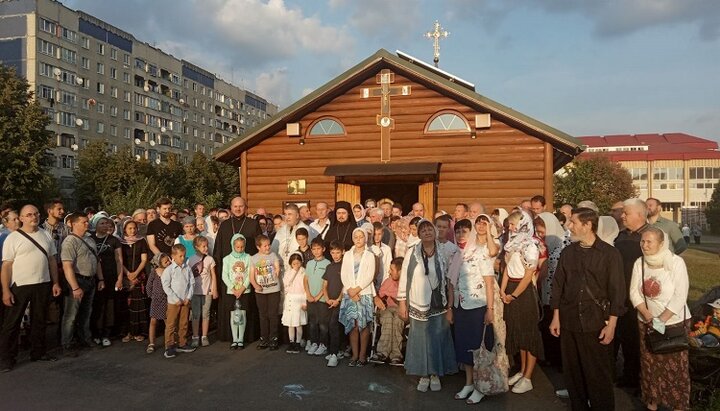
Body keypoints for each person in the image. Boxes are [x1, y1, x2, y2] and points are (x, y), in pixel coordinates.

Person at [550, 207, 626, 410]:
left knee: (598, 375)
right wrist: (556, 317)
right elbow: (558, 285)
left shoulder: (610, 254)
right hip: (569, 320)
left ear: (587, 225)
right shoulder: (568, 252)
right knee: (573, 374)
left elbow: (617, 292)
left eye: (573, 222)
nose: (568, 225)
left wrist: (612, 325)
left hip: (596, 322)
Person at [629, 227, 690, 411]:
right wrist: (648, 316)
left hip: (673, 323)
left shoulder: (676, 263)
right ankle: (652, 403)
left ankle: (678, 405)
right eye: (642, 241)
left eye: (649, 242)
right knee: (650, 366)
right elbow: (633, 292)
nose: (644, 245)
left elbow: (680, 295)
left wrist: (661, 320)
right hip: (646, 322)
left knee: (675, 369)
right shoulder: (639, 263)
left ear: (661, 243)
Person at [450, 216, 504, 404]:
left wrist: (489, 309)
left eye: (464, 231)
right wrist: (450, 307)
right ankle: (469, 383)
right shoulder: (457, 255)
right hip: (460, 306)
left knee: (478, 348)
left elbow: (489, 283)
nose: (460, 235)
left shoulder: (480, 252)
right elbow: (452, 284)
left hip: (477, 306)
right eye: (457, 232)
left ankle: (481, 385)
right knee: (465, 348)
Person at [1, 205, 62, 371]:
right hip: (20, 286)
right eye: (28, 215)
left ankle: (38, 352)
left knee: (39, 320)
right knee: (11, 324)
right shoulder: (12, 238)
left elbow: (51, 261)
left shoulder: (45, 235)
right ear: (21, 218)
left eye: (35, 214)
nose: (33, 217)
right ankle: (7, 359)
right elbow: (6, 266)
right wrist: (6, 290)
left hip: (42, 283)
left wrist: (55, 282)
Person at [398, 219, 457, 392]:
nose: (427, 232)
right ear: (418, 234)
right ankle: (424, 374)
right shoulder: (411, 252)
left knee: (437, 338)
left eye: (429, 229)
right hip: (418, 301)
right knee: (420, 338)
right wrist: (402, 303)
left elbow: (450, 279)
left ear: (435, 231)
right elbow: (404, 278)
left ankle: (435, 373)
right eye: (423, 230)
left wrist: (451, 306)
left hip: (439, 301)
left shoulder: (444, 251)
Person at [500, 211, 543, 394]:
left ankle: (528, 377)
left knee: (529, 334)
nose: (510, 228)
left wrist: (514, 295)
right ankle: (522, 370)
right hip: (510, 288)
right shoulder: (512, 243)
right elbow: (507, 269)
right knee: (518, 331)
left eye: (513, 224)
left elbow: (528, 275)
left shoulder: (531, 245)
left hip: (523, 292)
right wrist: (502, 290)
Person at [213, 197, 261, 343]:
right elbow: (218, 250)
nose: (238, 209)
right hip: (229, 275)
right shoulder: (225, 225)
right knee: (229, 306)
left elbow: (259, 248)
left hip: (248, 273)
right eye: (235, 206)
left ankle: (247, 336)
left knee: (248, 307)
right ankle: (230, 336)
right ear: (231, 207)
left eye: (241, 206)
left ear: (245, 207)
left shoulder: (253, 224)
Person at [614, 198, 650, 388]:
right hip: (623, 295)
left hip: (644, 298)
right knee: (627, 337)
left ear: (639, 214)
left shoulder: (651, 237)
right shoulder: (621, 236)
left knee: (640, 341)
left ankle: (642, 380)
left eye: (626, 213)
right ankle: (629, 376)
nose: (622, 216)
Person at [61, 213, 104, 357]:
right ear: (74, 224)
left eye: (87, 221)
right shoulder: (69, 242)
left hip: (90, 280)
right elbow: (67, 266)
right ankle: (66, 344)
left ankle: (85, 338)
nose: (87, 224)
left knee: (86, 313)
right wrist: (75, 287)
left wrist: (101, 279)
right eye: (84, 222)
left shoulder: (89, 239)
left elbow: (96, 261)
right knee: (71, 315)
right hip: (78, 281)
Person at [535, 212, 569, 368]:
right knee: (547, 324)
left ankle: (560, 362)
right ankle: (550, 358)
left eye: (543, 232)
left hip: (559, 295)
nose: (540, 235)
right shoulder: (543, 246)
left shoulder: (563, 245)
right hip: (545, 292)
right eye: (538, 232)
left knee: (557, 328)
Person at [339, 228, 376, 367]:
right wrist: (350, 290)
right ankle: (354, 355)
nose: (358, 239)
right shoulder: (348, 254)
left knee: (363, 325)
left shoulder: (369, 255)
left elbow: (369, 275)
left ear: (365, 238)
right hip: (349, 294)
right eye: (356, 237)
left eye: (361, 237)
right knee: (353, 325)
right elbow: (344, 273)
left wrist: (357, 289)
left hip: (363, 293)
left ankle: (362, 356)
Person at [89, 215, 123, 347]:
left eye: (106, 223)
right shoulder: (90, 238)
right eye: (101, 223)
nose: (105, 225)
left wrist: (119, 279)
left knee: (109, 305)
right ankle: (95, 332)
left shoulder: (114, 240)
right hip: (95, 277)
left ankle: (106, 333)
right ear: (96, 225)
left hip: (110, 276)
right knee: (97, 306)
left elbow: (118, 260)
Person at [161, 244, 195, 358]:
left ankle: (182, 343)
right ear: (173, 256)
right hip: (173, 302)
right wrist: (175, 299)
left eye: (184, 256)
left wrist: (188, 297)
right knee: (171, 324)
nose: (182, 258)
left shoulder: (187, 268)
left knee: (184, 323)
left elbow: (192, 283)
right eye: (180, 256)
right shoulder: (169, 270)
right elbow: (166, 286)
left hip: (185, 301)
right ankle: (169, 346)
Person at [250, 234, 282, 351]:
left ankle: (274, 339)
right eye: (265, 246)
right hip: (260, 291)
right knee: (263, 315)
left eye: (269, 245)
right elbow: (251, 276)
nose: (268, 248)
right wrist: (255, 285)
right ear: (258, 247)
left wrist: (276, 272)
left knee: (273, 315)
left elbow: (277, 268)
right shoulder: (253, 258)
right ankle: (264, 339)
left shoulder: (273, 256)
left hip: (273, 289)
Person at [119, 220, 148, 343]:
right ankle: (127, 332)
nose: (132, 230)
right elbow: (119, 260)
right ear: (124, 229)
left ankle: (138, 331)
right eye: (130, 228)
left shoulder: (141, 241)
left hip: (138, 275)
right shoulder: (120, 242)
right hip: (124, 275)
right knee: (126, 305)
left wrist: (135, 274)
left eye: (134, 228)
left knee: (138, 305)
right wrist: (127, 274)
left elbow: (144, 259)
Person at [372, 257, 405, 366]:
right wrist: (378, 299)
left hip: (402, 310)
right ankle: (382, 352)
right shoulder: (388, 281)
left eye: (392, 269)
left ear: (400, 272)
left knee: (397, 319)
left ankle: (396, 354)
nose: (389, 272)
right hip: (387, 309)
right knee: (388, 317)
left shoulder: (408, 283)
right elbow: (378, 297)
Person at [222, 234, 251, 350]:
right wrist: (233, 289)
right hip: (232, 292)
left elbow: (249, 274)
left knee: (242, 315)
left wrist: (242, 288)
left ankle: (241, 339)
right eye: (237, 247)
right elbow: (225, 275)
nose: (240, 249)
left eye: (242, 247)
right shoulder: (227, 259)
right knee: (234, 315)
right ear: (233, 246)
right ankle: (235, 338)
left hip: (244, 291)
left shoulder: (248, 257)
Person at [188, 236, 217, 348]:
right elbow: (189, 276)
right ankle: (195, 336)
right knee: (195, 314)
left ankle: (204, 336)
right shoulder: (191, 259)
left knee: (206, 314)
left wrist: (214, 289)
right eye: (203, 246)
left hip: (207, 291)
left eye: (206, 245)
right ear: (197, 247)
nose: (206, 248)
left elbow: (213, 275)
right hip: (195, 292)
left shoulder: (210, 259)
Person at [304, 237, 330, 356]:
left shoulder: (327, 263)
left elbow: (326, 283)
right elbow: (306, 280)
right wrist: (308, 294)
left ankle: (323, 344)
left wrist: (319, 296)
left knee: (323, 323)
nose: (316, 251)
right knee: (312, 322)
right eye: (313, 249)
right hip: (310, 298)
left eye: (318, 248)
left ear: (323, 249)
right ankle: (314, 342)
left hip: (322, 299)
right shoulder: (309, 263)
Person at [323, 241, 345, 367]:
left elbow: (345, 285)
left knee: (334, 325)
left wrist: (338, 299)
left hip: (340, 301)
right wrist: (326, 298)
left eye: (338, 252)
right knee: (330, 326)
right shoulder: (329, 266)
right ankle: (336, 350)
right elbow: (325, 284)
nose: (335, 255)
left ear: (342, 252)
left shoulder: (344, 266)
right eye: (333, 253)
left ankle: (334, 354)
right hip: (329, 301)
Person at [272, 204, 314, 269]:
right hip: (280, 268)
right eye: (285, 214)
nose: (287, 217)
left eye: (290, 214)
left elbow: (308, 251)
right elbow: (273, 248)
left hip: (297, 269)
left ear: (297, 215)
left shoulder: (305, 229)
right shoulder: (282, 230)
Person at [283, 252, 308, 354]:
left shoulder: (304, 272)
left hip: (300, 298)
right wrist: (293, 271)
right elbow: (286, 283)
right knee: (290, 324)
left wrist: (305, 302)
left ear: (301, 262)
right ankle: (291, 342)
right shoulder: (288, 272)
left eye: (298, 263)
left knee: (298, 323)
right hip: (290, 299)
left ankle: (298, 342)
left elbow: (306, 288)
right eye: (294, 264)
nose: (296, 266)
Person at [145, 253, 169, 354]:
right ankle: (151, 343)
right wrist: (151, 296)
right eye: (166, 261)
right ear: (159, 263)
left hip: (166, 300)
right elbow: (148, 285)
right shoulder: (154, 272)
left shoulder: (169, 272)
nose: (168, 263)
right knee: (153, 322)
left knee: (168, 322)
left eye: (168, 261)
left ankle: (169, 342)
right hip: (155, 300)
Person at [369, 222, 393, 290]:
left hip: (383, 281)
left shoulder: (387, 249)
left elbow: (388, 266)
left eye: (379, 234)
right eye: (375, 234)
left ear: (382, 234)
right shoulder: (368, 248)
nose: (377, 237)